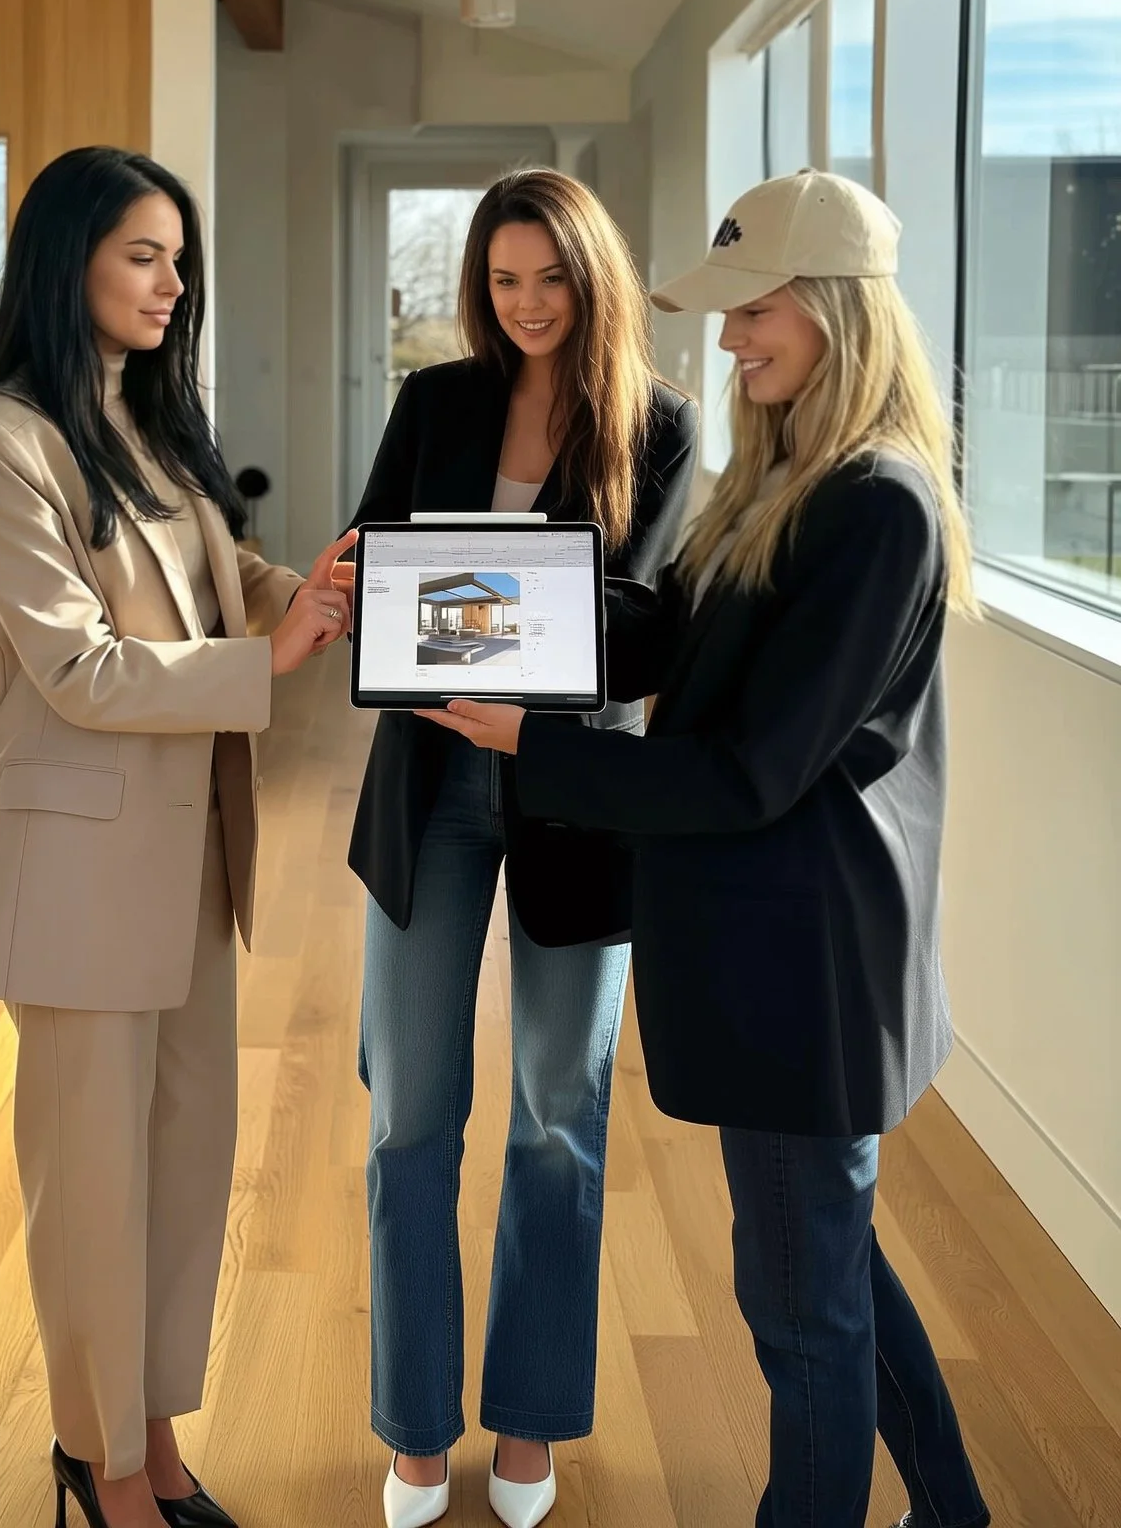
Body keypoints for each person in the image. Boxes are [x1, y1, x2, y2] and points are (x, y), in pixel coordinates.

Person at [421, 170, 990, 1528]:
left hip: (808, 964)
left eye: (755, 312)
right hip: (772, 954)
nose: (730, 342)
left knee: (799, 1309)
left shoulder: (877, 506)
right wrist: (447, 615)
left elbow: (749, 774)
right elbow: (656, 634)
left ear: (838, 312)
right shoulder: (785, 479)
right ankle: (954, 1511)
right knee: (828, 1263)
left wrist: (526, 743)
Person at [0, 147, 354, 1528]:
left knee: (181, 1173)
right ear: (71, 262)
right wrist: (274, 659)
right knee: (93, 1194)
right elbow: (80, 667)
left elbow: (228, 579)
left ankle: (160, 1441)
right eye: (144, 255)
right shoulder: (2, 440)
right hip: (75, 876)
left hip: (189, 860)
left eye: (181, 259)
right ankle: (100, 1463)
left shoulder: (151, 423)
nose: (174, 283)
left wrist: (331, 594)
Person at [347, 170, 698, 1528]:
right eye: (503, 280)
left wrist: (478, 608)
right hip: (428, 782)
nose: (528, 304)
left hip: (573, 795)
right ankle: (416, 1430)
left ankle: (535, 1422)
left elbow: (648, 628)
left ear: (591, 278)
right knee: (409, 1118)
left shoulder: (661, 430)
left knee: (559, 1120)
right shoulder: (433, 403)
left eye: (550, 277)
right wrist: (365, 584)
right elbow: (384, 566)